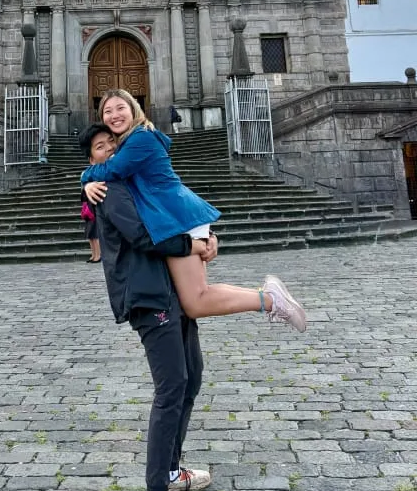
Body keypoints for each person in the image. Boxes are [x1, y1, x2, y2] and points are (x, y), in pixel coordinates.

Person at [77, 121, 213, 491]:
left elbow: (174, 207)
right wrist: (191, 245)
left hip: (170, 290)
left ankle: (171, 470)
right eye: (100, 148)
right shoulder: (111, 191)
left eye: (113, 145)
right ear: (91, 160)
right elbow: (142, 236)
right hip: (147, 296)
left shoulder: (133, 182)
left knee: (191, 379)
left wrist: (205, 233)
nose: (109, 151)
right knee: (172, 386)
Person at [82, 88, 306, 330]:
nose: (114, 115)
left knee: (196, 301)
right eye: (107, 111)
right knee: (198, 295)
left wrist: (85, 178)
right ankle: (269, 295)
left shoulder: (141, 138)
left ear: (133, 108)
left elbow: (112, 170)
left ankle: (272, 300)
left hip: (178, 219)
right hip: (173, 219)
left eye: (120, 108)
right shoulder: (131, 141)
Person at [80, 184, 102, 262]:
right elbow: (83, 199)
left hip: (94, 213)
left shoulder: (94, 185)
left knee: (94, 236)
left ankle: (98, 256)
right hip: (88, 213)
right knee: (90, 236)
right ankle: (93, 255)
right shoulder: (86, 188)